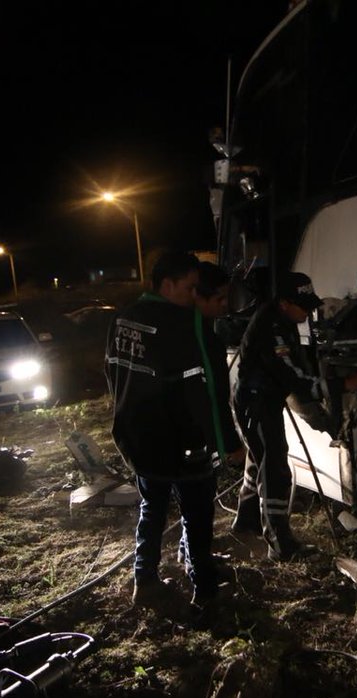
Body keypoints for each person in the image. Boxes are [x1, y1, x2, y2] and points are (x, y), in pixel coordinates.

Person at [106, 251, 221, 610]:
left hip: (138, 440)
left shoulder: (122, 319)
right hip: (182, 441)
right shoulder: (184, 323)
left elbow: (113, 375)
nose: (193, 295)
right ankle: (205, 592)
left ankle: (145, 580)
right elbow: (204, 392)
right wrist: (220, 441)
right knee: (197, 515)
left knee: (152, 508)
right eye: (189, 287)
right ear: (167, 285)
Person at [231, 272, 357, 560]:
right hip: (256, 402)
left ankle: (246, 522)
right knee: (275, 469)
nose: (308, 312)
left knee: (258, 461)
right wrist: (346, 385)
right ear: (284, 303)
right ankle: (280, 544)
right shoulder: (273, 328)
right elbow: (294, 379)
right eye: (303, 306)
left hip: (260, 398)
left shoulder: (283, 319)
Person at [177, 261, 245, 565]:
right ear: (198, 297)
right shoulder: (201, 340)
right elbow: (215, 399)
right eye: (218, 299)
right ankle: (200, 572)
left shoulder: (192, 329)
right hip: (194, 439)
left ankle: (190, 552)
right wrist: (229, 444)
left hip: (183, 436)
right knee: (198, 503)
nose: (225, 305)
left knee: (192, 504)